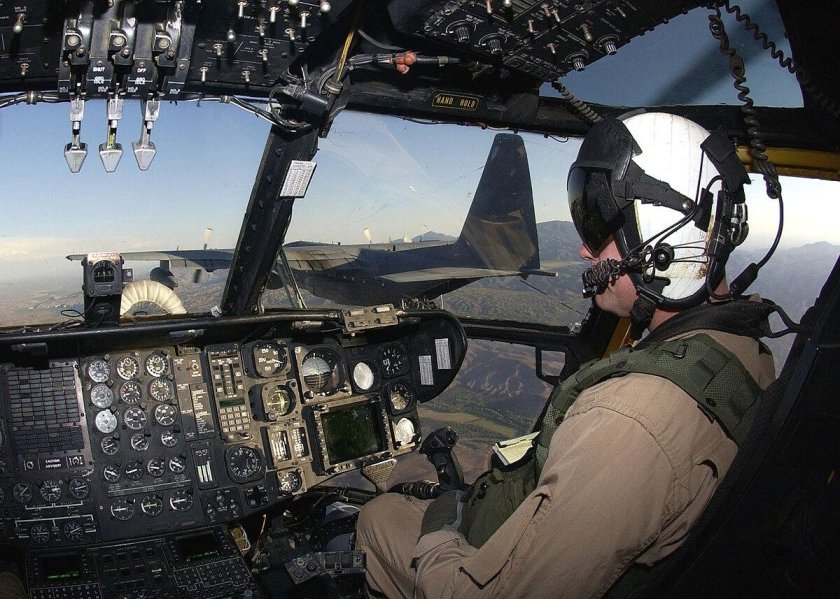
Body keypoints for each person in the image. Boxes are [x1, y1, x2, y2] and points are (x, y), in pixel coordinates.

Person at [355, 112, 777, 598]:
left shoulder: (629, 420)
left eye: (597, 226)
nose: (582, 251)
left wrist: (439, 534)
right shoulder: (742, 352)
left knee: (379, 516)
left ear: (662, 238)